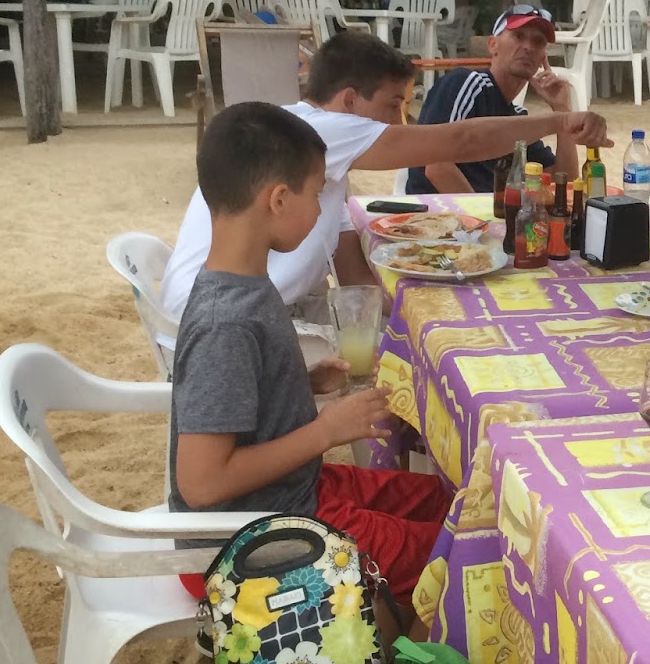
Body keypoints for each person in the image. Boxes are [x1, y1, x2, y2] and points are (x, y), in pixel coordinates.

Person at [170, 101, 444, 612]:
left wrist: (298, 382)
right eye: (317, 194)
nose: (322, 209)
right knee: (460, 555)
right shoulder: (224, 323)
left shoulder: (244, 284)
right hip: (248, 542)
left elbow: (237, 394)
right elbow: (203, 484)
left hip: (290, 494)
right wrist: (326, 431)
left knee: (451, 509)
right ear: (278, 199)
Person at [161, 31, 610, 334]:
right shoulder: (324, 129)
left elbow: (351, 267)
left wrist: (410, 322)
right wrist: (560, 120)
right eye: (393, 103)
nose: (399, 120)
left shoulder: (318, 163)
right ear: (350, 101)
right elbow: (461, 139)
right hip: (224, 323)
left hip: (248, 309)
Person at [406, 5, 577, 195]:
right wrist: (484, 220)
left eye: (538, 42)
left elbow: (564, 182)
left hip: (476, 217)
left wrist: (563, 111)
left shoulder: (517, 118)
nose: (528, 47)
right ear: (492, 45)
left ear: (542, 58)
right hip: (436, 214)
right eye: (518, 36)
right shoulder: (467, 83)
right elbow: (436, 166)